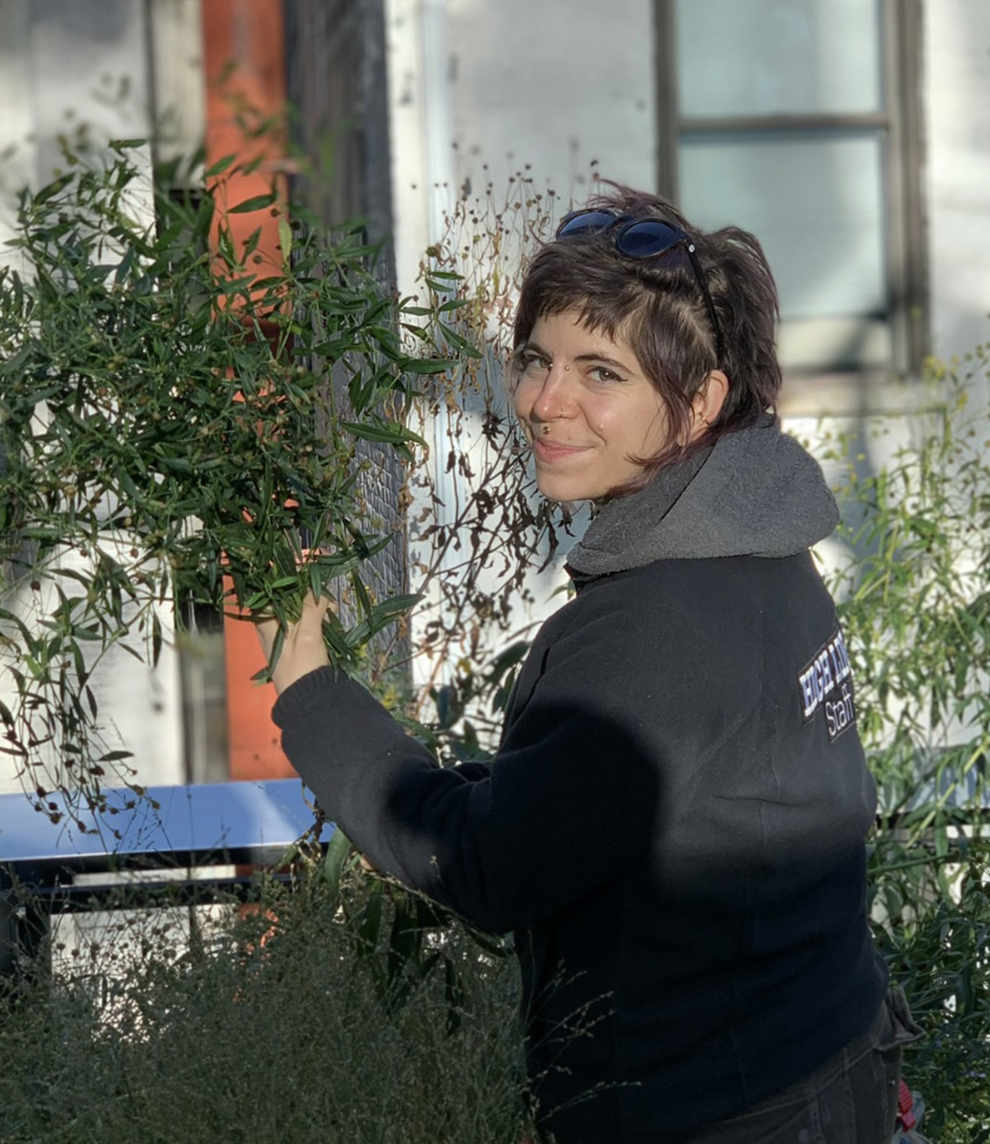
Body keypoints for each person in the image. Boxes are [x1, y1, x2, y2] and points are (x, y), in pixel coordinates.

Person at [256, 185, 920, 1143]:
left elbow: (488, 866)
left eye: (601, 373)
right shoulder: (766, 555)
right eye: (536, 359)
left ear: (699, 403)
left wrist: (312, 695)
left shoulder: (660, 627)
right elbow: (633, 800)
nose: (544, 402)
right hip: (828, 1063)